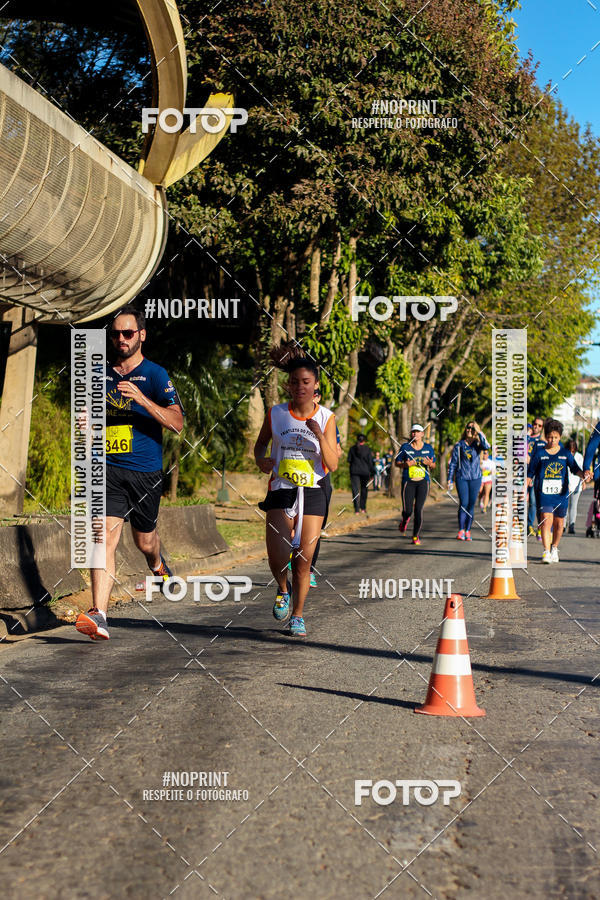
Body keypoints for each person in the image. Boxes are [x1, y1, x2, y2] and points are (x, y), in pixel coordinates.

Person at [75, 306, 184, 641]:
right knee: (103, 536)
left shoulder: (154, 374)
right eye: (115, 334)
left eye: (128, 333)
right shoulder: (99, 374)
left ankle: (157, 564)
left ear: (141, 335)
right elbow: (90, 420)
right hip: (107, 467)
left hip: (145, 472)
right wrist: (86, 426)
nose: (121, 340)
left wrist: (143, 400)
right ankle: (100, 614)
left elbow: (177, 423)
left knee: (144, 540)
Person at [254, 346, 338, 636]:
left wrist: (317, 433)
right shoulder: (276, 413)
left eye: (306, 382)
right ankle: (282, 588)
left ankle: (298, 615)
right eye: (295, 382)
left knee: (304, 559)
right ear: (288, 385)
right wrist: (260, 460)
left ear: (315, 384)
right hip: (281, 488)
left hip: (313, 491)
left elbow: (334, 463)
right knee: (277, 558)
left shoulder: (327, 417)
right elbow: (260, 444)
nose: (300, 387)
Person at [527, 419, 584, 563]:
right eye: (550, 437)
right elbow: (530, 471)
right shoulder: (540, 453)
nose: (553, 440)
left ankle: (554, 548)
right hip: (544, 493)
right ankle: (546, 551)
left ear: (560, 437)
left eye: (556, 437)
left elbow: (575, 468)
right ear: (546, 436)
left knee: (559, 524)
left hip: (561, 494)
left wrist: (584, 474)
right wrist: (526, 483)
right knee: (546, 521)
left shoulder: (565, 453)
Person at [447, 421, 490, 540]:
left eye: (472, 428)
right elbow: (453, 463)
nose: (469, 430)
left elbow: (487, 446)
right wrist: (450, 479)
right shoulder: (459, 445)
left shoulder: (478, 444)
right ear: (465, 429)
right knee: (463, 503)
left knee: (471, 505)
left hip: (476, 478)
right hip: (462, 478)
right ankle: (461, 530)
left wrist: (479, 432)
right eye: (468, 427)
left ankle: (468, 530)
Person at [394, 424, 436, 545]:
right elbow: (397, 463)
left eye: (418, 432)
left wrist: (429, 463)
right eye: (413, 432)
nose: (415, 434)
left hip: (423, 482)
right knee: (408, 510)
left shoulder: (428, 448)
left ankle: (415, 536)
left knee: (418, 509)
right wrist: (405, 465)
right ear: (410, 434)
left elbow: (434, 465)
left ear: (422, 434)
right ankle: (405, 519)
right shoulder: (405, 447)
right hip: (408, 481)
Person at [527, 416, 546, 537]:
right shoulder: (525, 439)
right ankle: (526, 525)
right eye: (535, 424)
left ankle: (539, 526)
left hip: (535, 475)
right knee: (520, 501)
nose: (536, 427)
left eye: (539, 425)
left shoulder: (543, 441)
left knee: (535, 502)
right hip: (521, 474)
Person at [347, 434, 374, 514]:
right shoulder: (368, 449)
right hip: (365, 472)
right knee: (364, 490)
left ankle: (356, 510)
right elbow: (370, 462)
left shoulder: (352, 449)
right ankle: (363, 508)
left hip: (354, 471)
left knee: (355, 490)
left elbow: (349, 460)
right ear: (364, 441)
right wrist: (372, 473)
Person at [565, 438, 584, 534]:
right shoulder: (564, 456)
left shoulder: (579, 457)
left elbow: (582, 471)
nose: (571, 453)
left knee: (573, 506)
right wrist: (566, 484)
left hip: (577, 485)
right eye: (570, 451)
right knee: (564, 506)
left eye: (573, 451)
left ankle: (571, 525)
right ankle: (563, 525)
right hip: (566, 485)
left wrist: (583, 482)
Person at [478, 448, 495, 513]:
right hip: (480, 479)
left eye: (486, 453)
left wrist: (491, 472)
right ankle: (480, 500)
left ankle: (484, 508)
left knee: (487, 493)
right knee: (480, 491)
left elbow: (494, 471)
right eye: (484, 453)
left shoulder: (491, 463)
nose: (485, 454)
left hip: (488, 479)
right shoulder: (479, 462)